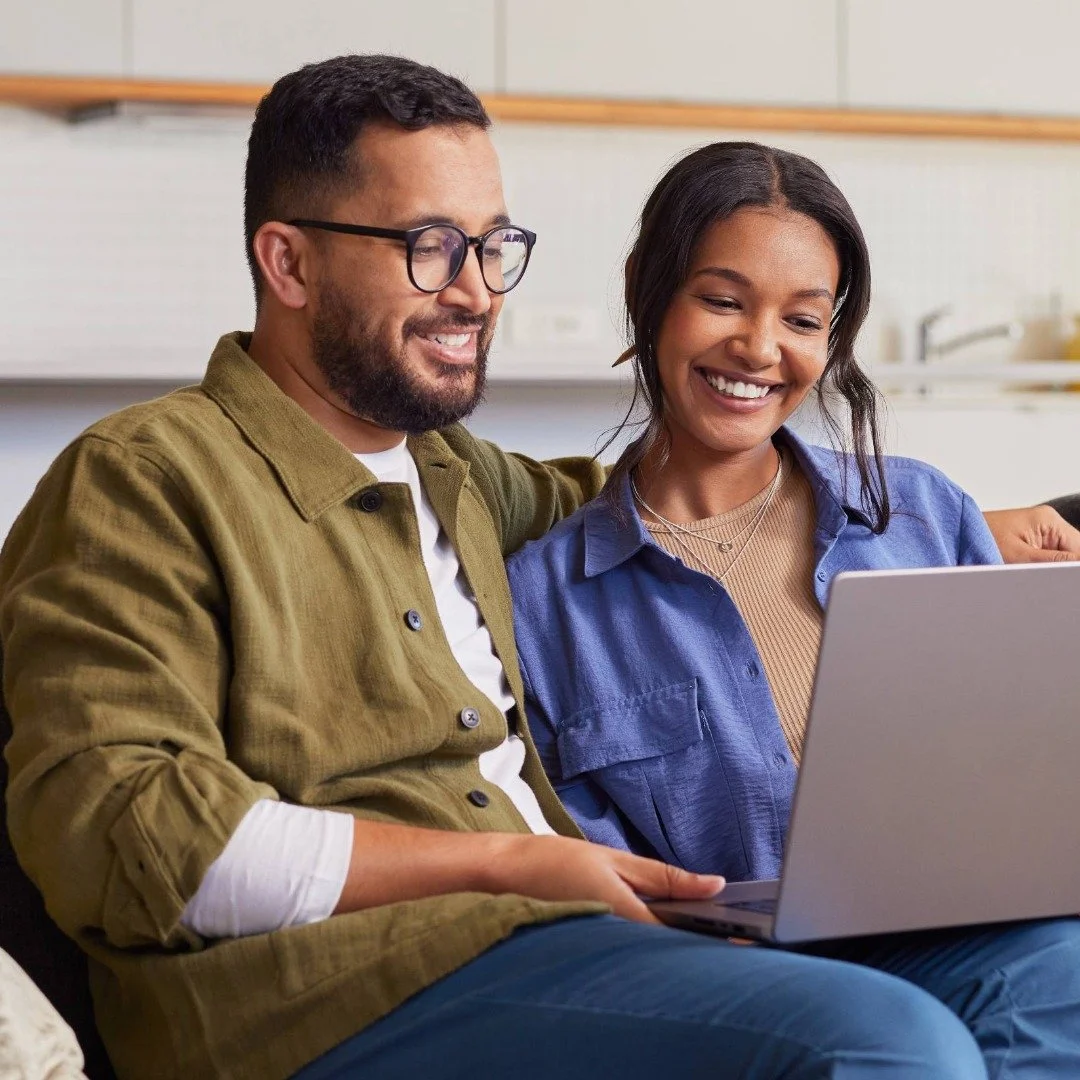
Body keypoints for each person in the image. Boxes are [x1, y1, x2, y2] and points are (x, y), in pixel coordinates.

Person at [0, 55, 1074, 1080]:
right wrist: (505, 861)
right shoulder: (145, 477)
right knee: (881, 1042)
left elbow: (676, 505)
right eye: (429, 247)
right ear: (289, 263)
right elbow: (123, 836)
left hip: (568, 945)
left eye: (491, 247)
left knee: (1052, 982)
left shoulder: (460, 481)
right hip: (332, 991)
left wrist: (939, 527)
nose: (475, 292)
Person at [507, 140, 1080, 1077]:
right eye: (722, 300)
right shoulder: (544, 603)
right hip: (739, 981)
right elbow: (599, 881)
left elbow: (1032, 767)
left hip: (970, 936)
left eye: (802, 318)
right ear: (648, 291)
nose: (760, 348)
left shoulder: (923, 515)